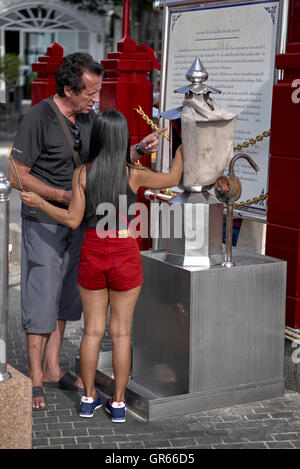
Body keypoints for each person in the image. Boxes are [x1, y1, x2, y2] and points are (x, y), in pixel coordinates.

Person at [8, 52, 166, 411]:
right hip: (45, 221)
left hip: (81, 224)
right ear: (68, 89)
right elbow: (16, 174)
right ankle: (34, 377)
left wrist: (139, 149)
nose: (96, 100)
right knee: (41, 297)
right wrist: (61, 195)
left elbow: (110, 163)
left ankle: (52, 368)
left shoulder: (90, 119)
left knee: (67, 299)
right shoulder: (38, 118)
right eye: (90, 93)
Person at [20, 108, 183, 422]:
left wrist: (41, 203)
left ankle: (88, 398)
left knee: (92, 332)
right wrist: (182, 144)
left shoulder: (82, 173)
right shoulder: (132, 173)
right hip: (124, 251)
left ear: (97, 137)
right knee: (121, 333)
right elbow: (174, 178)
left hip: (93, 251)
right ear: (122, 138)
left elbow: (72, 219)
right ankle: (119, 404)